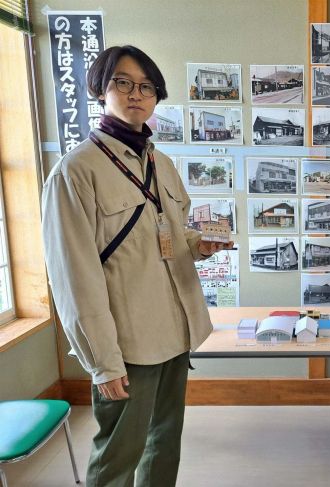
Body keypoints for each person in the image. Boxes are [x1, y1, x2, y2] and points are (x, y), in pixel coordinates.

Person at [41, 45, 233, 487]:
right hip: (127, 344)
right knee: (117, 457)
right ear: (100, 89)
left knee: (164, 443)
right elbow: (75, 280)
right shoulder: (76, 172)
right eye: (122, 83)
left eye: (147, 86)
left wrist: (199, 246)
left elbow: (171, 233)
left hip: (175, 331)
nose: (136, 94)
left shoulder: (159, 162)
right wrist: (103, 363)